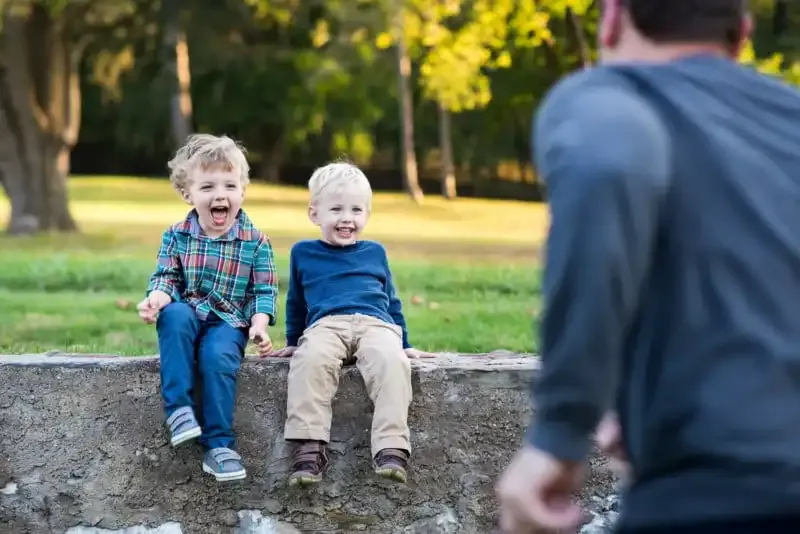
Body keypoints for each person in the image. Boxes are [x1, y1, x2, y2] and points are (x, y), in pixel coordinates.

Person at [496, 0, 800, 532]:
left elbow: (609, 170)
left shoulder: (607, 97)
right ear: (742, 36)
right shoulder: (787, 119)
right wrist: (646, 404)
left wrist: (561, 432)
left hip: (721, 496)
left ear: (612, 18)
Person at [268, 162, 436, 487]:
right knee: (310, 360)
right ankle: (309, 448)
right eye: (336, 209)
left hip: (376, 324)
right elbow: (297, 301)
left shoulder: (375, 252)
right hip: (325, 326)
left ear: (367, 215)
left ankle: (391, 448)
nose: (347, 218)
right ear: (314, 214)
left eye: (356, 210)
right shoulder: (304, 252)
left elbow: (392, 299)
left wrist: (405, 343)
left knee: (391, 363)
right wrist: (292, 339)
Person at [136, 134, 278, 483]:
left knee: (217, 357)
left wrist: (259, 324)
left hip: (229, 322)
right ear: (188, 194)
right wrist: (157, 297)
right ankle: (179, 410)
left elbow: (263, 290)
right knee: (175, 315)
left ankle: (218, 445)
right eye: (208, 186)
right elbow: (167, 277)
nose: (220, 194)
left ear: (242, 191)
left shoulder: (256, 241)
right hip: (189, 312)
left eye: (230, 185)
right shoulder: (176, 235)